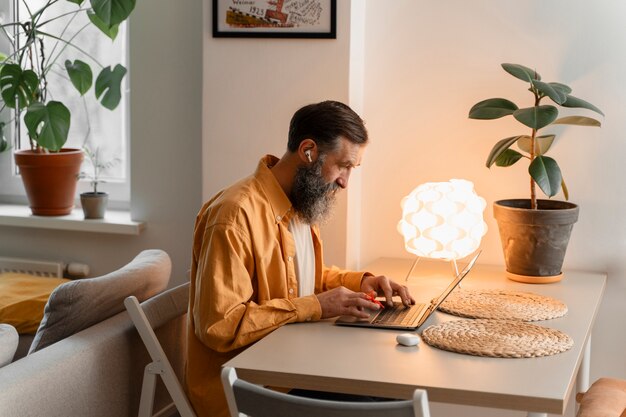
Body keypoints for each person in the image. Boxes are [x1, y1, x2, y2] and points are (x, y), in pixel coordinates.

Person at [185, 100, 415, 417]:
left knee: (389, 388)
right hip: (247, 388)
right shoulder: (234, 215)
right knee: (383, 406)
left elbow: (302, 281)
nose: (346, 181)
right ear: (308, 151)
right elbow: (219, 325)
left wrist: (362, 282)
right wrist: (317, 306)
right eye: (343, 165)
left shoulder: (300, 203)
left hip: (292, 365)